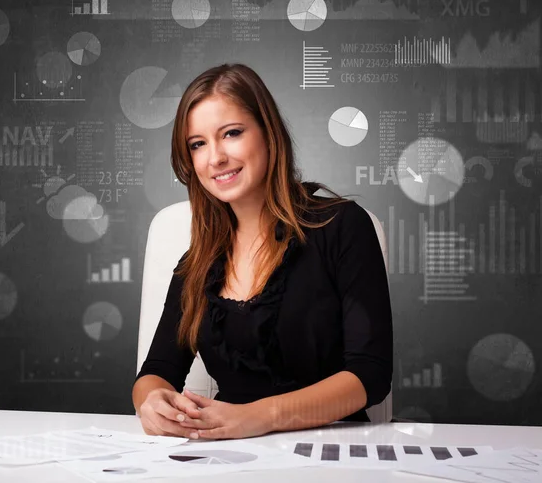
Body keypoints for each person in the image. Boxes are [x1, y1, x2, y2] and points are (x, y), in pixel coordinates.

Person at [132, 63, 393, 440]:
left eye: (232, 133)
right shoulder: (196, 265)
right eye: (198, 144)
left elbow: (370, 375)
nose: (215, 157)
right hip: (224, 456)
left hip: (330, 452)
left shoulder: (342, 226)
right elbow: (156, 371)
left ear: (268, 135)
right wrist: (151, 401)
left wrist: (260, 417)